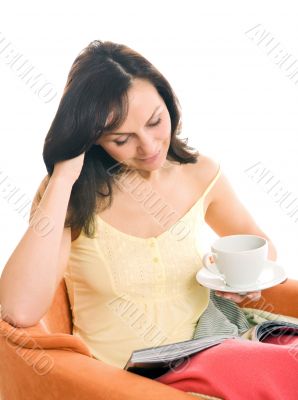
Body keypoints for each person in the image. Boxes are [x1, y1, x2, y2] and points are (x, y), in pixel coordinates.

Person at [1, 40, 297, 399]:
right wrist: (63, 177)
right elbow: (17, 310)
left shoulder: (200, 173)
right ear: (93, 140)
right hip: (135, 377)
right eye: (122, 139)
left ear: (168, 102)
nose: (150, 146)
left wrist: (239, 280)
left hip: (214, 341)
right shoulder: (69, 196)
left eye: (156, 121)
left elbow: (259, 245)